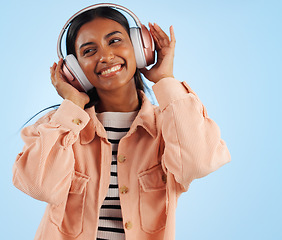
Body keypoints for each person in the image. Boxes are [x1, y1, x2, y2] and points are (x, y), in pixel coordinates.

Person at [12, 4, 231, 240]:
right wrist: (72, 105)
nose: (105, 56)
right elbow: (39, 187)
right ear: (74, 70)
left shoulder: (169, 125)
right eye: (88, 51)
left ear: (139, 48)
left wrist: (165, 79)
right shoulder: (60, 128)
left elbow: (198, 163)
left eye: (114, 41)